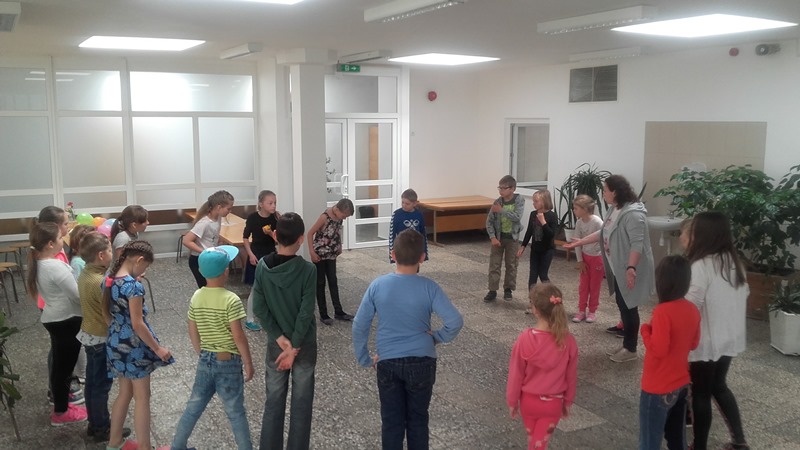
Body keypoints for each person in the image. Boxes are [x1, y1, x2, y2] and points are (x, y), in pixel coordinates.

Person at [353, 229, 463, 450]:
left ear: (392, 254)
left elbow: (359, 325)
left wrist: (365, 359)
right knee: (418, 420)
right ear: (422, 257)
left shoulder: (378, 285)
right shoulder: (429, 287)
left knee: (392, 422)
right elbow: (455, 321)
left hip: (388, 362)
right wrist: (437, 338)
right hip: (423, 362)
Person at [171, 245, 255, 450]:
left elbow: (192, 329)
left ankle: (177, 446)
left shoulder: (197, 296)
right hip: (228, 362)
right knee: (235, 412)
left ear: (201, 271)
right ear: (226, 271)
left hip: (205, 359)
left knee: (193, 406)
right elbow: (238, 336)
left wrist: (201, 351)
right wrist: (248, 362)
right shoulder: (231, 300)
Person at [564, 175, 654, 362]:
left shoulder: (634, 214)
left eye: (605, 190)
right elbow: (604, 231)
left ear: (615, 192)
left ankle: (631, 349)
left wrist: (631, 267)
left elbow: (637, 244)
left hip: (629, 268)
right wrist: (581, 242)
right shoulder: (615, 209)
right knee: (622, 303)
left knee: (629, 306)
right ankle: (626, 344)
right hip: (618, 267)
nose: (603, 193)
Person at [683, 212, 750, 450]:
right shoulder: (733, 262)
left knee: (700, 392)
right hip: (728, 337)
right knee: (719, 385)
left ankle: (699, 446)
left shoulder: (701, 265)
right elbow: (744, 294)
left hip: (706, 340)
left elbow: (690, 305)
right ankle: (739, 441)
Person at [251, 212, 318, 450]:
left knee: (274, 400)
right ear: (301, 239)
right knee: (302, 403)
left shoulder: (262, 266)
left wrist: (280, 339)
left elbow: (258, 307)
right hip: (304, 345)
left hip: (276, 345)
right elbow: (306, 312)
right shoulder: (308, 270)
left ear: (275, 235)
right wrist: (295, 346)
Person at [105, 240, 174, 450]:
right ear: (139, 260)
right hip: (134, 347)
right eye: (146, 266)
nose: (145, 271)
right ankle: (145, 446)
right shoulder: (133, 287)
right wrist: (157, 348)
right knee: (143, 397)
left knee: (124, 393)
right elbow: (138, 324)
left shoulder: (109, 279)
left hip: (115, 341)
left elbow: (108, 314)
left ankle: (114, 442)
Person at [27, 222, 88, 426]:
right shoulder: (54, 266)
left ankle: (62, 407)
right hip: (65, 321)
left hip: (55, 319)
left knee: (61, 367)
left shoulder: (41, 263)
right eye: (60, 238)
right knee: (64, 370)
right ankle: (61, 413)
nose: (64, 241)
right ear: (51, 244)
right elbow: (77, 296)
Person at [639, 255, 700, 450]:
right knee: (677, 440)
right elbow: (694, 344)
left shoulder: (662, 311)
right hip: (681, 383)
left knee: (649, 441)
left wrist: (645, 331)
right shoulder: (692, 309)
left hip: (657, 386)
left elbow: (659, 350)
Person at [76, 231, 132, 443]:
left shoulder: (85, 273)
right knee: (101, 385)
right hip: (101, 338)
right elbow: (113, 308)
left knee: (92, 383)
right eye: (109, 250)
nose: (112, 253)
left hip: (89, 335)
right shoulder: (99, 282)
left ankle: (94, 424)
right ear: (101, 255)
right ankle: (102, 428)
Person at [506, 283, 578, 450]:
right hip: (553, 404)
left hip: (528, 402)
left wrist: (512, 400)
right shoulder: (568, 341)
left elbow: (516, 374)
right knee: (539, 444)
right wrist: (568, 401)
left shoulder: (524, 339)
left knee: (533, 440)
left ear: (535, 310)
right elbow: (571, 376)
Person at [35, 206, 86, 405]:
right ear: (54, 227)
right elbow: (74, 294)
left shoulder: (50, 252)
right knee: (60, 355)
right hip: (59, 309)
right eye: (65, 223)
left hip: (54, 306)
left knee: (60, 352)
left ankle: (62, 390)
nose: (68, 227)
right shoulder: (53, 260)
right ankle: (58, 393)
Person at [307, 198, 355, 325]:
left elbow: (337, 231)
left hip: (331, 254)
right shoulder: (324, 217)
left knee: (333, 281)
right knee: (320, 283)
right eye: (344, 216)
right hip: (320, 255)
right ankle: (323, 314)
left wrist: (339, 245)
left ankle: (338, 311)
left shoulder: (339, 218)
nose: (344, 218)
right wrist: (311, 252)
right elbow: (310, 233)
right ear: (337, 209)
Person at [241, 190, 279, 331]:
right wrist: (250, 255)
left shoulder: (276, 218)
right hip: (256, 254)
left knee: (271, 287)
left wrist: (270, 233)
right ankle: (249, 319)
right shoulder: (253, 218)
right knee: (255, 288)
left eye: (275, 203)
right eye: (270, 203)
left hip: (271, 255)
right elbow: (245, 238)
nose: (273, 206)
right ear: (261, 204)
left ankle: (271, 316)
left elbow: (279, 241)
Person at [485, 175, 525, 302]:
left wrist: (501, 210)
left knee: (511, 264)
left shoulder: (519, 200)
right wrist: (492, 237)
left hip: (512, 239)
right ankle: (492, 290)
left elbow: (517, 217)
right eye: (499, 188)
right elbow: (489, 222)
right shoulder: (497, 202)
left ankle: (508, 289)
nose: (501, 191)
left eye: (504, 188)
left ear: (512, 189)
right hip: (498, 238)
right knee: (494, 264)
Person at [183, 191, 235, 288]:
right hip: (199, 259)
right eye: (228, 208)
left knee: (214, 287)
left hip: (210, 258)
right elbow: (186, 240)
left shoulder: (218, 218)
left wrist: (218, 241)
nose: (230, 211)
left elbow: (211, 235)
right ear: (219, 207)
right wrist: (205, 251)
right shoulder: (204, 223)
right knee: (206, 288)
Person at [569, 195, 604, 323]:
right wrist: (580, 261)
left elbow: (604, 240)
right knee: (583, 286)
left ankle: (592, 311)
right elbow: (577, 243)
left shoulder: (597, 222)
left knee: (594, 286)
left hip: (597, 258)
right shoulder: (579, 223)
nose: (574, 210)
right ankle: (581, 310)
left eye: (576, 208)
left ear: (584, 209)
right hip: (585, 257)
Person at [517, 190, 558, 289]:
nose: (533, 203)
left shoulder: (552, 216)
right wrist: (523, 246)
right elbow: (529, 231)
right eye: (533, 201)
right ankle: (532, 297)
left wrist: (543, 222)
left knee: (543, 274)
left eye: (536, 201)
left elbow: (551, 235)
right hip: (535, 249)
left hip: (547, 250)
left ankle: (551, 294)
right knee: (533, 274)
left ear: (544, 201)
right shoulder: (533, 214)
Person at [388, 188, 428, 263]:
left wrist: (424, 251)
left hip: (415, 246)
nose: (404, 205)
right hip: (402, 246)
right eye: (402, 202)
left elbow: (423, 234)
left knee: (415, 265)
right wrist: (392, 254)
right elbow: (392, 234)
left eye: (407, 204)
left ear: (414, 203)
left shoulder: (419, 214)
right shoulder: (397, 214)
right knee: (403, 265)